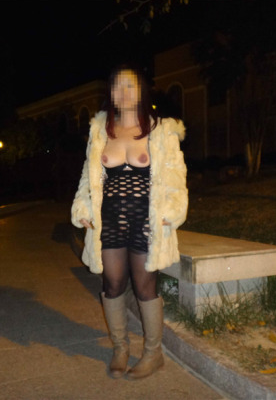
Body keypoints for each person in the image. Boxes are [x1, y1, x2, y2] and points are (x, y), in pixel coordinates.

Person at [71, 64, 188, 379]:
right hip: (108, 220)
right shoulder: (100, 130)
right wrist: (83, 207)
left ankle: (153, 354)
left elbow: (176, 177)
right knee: (112, 284)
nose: (123, 92)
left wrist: (171, 211)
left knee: (145, 286)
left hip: (146, 221)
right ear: (110, 93)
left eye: (130, 86)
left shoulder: (161, 130)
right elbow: (89, 176)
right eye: (117, 86)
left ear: (141, 92)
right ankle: (120, 347)